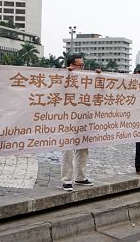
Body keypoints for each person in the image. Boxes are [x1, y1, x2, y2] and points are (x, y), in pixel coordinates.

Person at [61, 55, 94, 191]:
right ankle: (66, 180)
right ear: (71, 65)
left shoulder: (87, 79)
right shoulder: (61, 77)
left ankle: (80, 177)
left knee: (83, 147)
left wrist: (98, 76)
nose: (82, 68)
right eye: (79, 65)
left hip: (83, 117)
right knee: (67, 149)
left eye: (83, 65)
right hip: (67, 117)